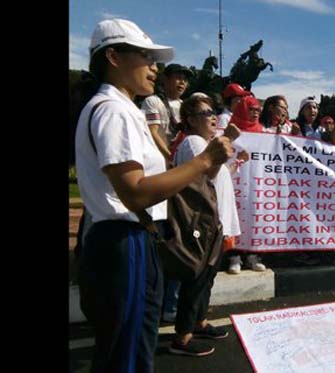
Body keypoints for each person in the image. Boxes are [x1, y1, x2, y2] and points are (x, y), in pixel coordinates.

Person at [75, 19, 233, 372]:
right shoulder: (113, 110)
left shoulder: (121, 108)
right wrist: (205, 161)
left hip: (130, 239)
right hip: (123, 239)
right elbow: (134, 192)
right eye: (145, 57)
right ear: (113, 57)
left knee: (131, 345)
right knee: (127, 354)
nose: (155, 68)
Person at [168, 95, 238, 356]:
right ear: (189, 120)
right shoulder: (194, 142)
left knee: (207, 276)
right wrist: (227, 138)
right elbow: (205, 173)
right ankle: (183, 337)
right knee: (196, 277)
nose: (212, 117)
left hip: (214, 220)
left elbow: (217, 177)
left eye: (213, 112)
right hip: (203, 221)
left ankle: (199, 321)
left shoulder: (204, 143)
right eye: (205, 113)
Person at [227, 95, 267, 272]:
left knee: (253, 217)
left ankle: (253, 256)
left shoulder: (262, 131)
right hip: (235, 180)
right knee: (235, 219)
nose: (256, 113)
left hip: (255, 181)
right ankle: (234, 258)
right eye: (252, 110)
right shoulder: (232, 130)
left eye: (258, 110)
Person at [141, 63, 193, 161]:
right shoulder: (153, 101)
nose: (182, 82)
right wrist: (171, 158)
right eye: (178, 78)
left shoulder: (185, 105)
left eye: (185, 80)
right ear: (165, 79)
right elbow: (152, 132)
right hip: (159, 159)